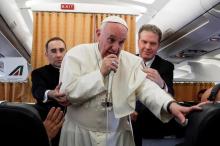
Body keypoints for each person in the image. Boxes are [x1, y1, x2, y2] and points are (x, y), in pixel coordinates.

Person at [58, 16, 204, 146]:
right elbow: (67, 93)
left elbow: (147, 88)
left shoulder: (131, 61)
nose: (115, 48)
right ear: (98, 34)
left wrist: (170, 105)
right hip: (79, 134)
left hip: (117, 136)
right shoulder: (75, 55)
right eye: (111, 40)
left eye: (121, 42)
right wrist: (101, 73)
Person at [131, 24, 177, 146]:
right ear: (138, 42)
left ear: (158, 45)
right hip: (127, 125)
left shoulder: (166, 66)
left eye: (152, 43)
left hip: (151, 127)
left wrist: (161, 83)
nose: (147, 47)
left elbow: (171, 95)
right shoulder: (128, 62)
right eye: (144, 42)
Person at [31, 37, 69, 146]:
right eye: (53, 51)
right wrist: (51, 93)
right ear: (46, 54)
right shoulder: (38, 73)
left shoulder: (77, 72)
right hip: (50, 124)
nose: (58, 55)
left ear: (66, 52)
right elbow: (37, 91)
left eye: (61, 50)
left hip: (74, 124)